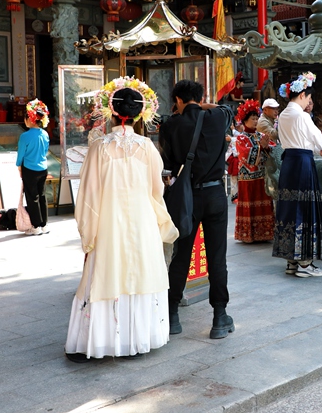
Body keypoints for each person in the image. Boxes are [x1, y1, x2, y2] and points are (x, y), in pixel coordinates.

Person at [66, 81, 178, 362]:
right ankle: (138, 338)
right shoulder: (147, 148)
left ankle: (103, 340)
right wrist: (160, 222)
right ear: (140, 114)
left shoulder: (99, 148)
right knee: (140, 274)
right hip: (142, 224)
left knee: (106, 275)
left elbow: (89, 196)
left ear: (111, 112)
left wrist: (88, 233)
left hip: (108, 224)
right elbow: (157, 191)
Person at [161, 80, 236, 338]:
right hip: (215, 194)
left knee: (181, 254)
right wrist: (202, 105)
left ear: (178, 100)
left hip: (187, 197)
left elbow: (168, 165)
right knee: (217, 256)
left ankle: (172, 314)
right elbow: (227, 110)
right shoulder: (217, 117)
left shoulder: (171, 124)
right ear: (200, 98)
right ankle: (219, 316)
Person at [274, 73, 322, 277]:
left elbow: (301, 141)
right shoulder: (301, 115)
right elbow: (318, 139)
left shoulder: (283, 115)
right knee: (304, 210)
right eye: (308, 98)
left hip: (289, 163)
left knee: (290, 210)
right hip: (302, 165)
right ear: (301, 95)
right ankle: (305, 263)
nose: (309, 102)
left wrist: (320, 151)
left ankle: (292, 261)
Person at [233, 100, 275, 243]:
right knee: (250, 206)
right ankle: (249, 235)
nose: (256, 121)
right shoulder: (241, 138)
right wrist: (260, 148)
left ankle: (265, 233)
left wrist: (267, 148)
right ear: (245, 120)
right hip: (248, 179)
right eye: (253, 118)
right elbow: (245, 156)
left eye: (257, 118)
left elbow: (272, 150)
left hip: (262, 177)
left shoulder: (261, 136)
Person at [16, 99, 50, 236]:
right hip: (43, 168)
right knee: (42, 195)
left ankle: (36, 225)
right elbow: (45, 150)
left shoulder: (25, 136)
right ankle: (44, 224)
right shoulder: (45, 134)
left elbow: (20, 154)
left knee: (32, 197)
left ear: (30, 119)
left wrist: (19, 167)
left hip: (29, 169)